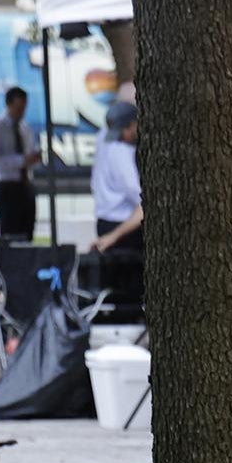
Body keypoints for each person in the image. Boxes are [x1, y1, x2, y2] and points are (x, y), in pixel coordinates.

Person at [86, 98, 146, 321]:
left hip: (106, 219)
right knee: (129, 289)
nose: (125, 137)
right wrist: (113, 237)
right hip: (123, 227)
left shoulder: (104, 139)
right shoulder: (121, 153)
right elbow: (141, 202)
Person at [0, 85, 37, 240]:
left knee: (27, 231)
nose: (21, 112)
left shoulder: (25, 129)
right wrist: (20, 160)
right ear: (9, 105)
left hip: (25, 185)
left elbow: (28, 154)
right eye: (18, 108)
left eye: (24, 108)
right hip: (7, 186)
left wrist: (32, 159)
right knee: (9, 232)